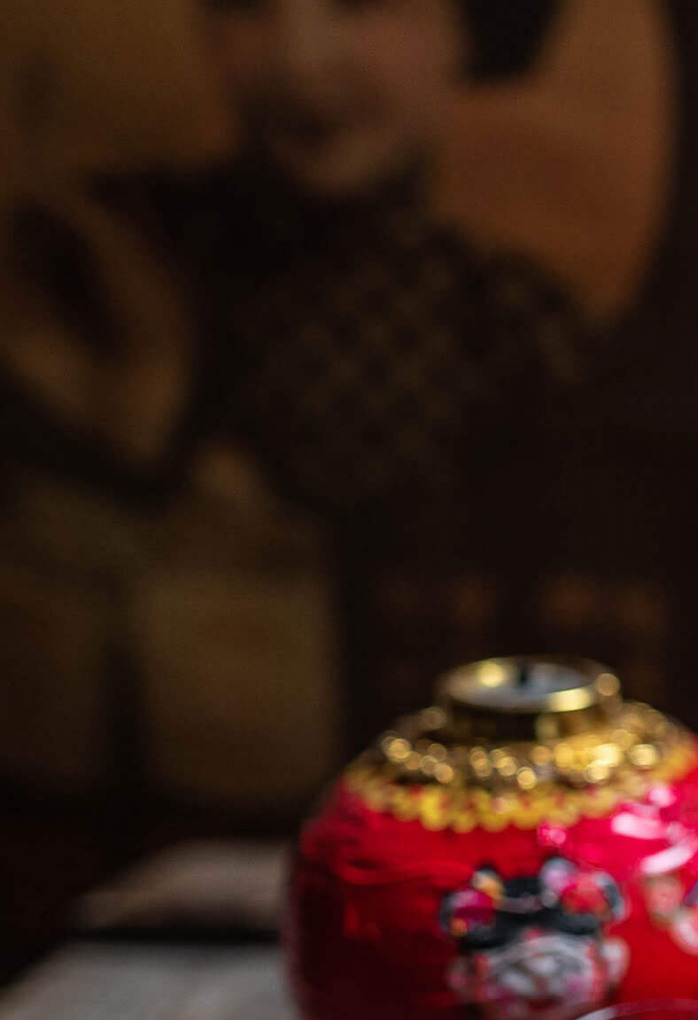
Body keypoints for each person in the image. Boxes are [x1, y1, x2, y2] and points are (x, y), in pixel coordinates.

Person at [0, 0, 587, 778]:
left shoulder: (519, 325)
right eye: (247, 7)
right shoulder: (95, 262)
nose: (299, 61)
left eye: (360, 5)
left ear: (467, 29)